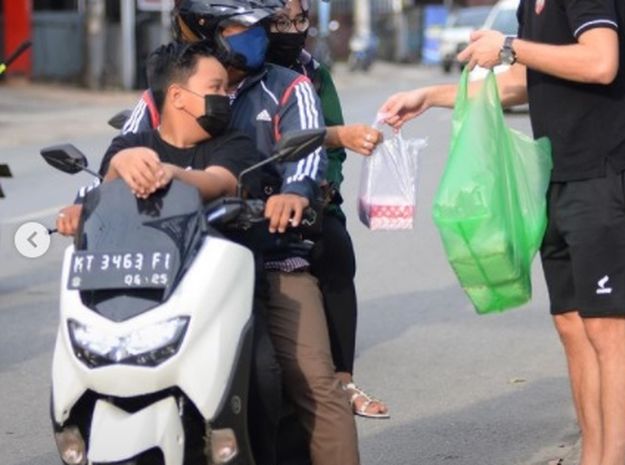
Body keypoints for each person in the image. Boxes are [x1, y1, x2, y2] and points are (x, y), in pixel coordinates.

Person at [379, 1, 625, 464]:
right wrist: (430, 95)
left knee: (606, 325)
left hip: (605, 173)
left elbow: (601, 62)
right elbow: (530, 82)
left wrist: (508, 45)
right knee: (571, 324)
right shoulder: (532, 6)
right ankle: (593, 455)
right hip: (558, 173)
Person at [113, 2, 361, 464]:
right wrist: (86, 202)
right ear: (209, 32)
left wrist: (294, 193)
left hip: (270, 256)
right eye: (244, 26)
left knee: (309, 381)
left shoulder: (288, 88)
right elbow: (118, 159)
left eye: (262, 26)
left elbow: (305, 155)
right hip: (175, 264)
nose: (260, 35)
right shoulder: (167, 92)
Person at [265, 0, 389, 418]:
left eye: (299, 19)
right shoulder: (244, 74)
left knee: (336, 252)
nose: (292, 28)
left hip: (311, 197)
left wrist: (325, 187)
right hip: (257, 198)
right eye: (281, 21)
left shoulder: (313, 73)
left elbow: (332, 147)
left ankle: (343, 379)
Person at [56, 41, 260, 230]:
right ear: (177, 96)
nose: (225, 97)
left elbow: (219, 184)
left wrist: (172, 174)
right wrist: (118, 166)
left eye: (226, 89)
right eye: (216, 87)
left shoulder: (236, 143)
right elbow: (107, 195)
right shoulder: (128, 145)